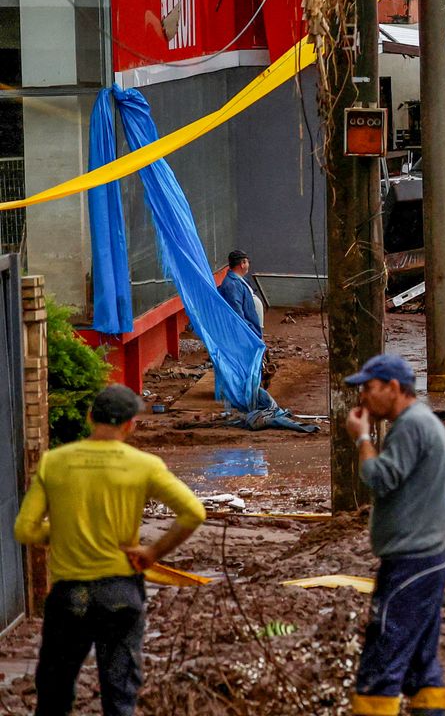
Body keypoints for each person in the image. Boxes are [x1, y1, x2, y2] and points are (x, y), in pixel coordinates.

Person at [14, 385, 205, 716]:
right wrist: (152, 553)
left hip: (69, 595)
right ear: (130, 424)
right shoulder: (145, 465)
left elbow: (25, 530)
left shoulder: (53, 463)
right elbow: (193, 512)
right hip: (121, 591)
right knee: (120, 694)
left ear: (90, 417)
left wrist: (61, 532)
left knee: (55, 692)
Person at [343, 354, 445, 716]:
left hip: (411, 562)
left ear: (393, 388)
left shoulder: (411, 426)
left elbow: (379, 478)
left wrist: (362, 438)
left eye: (369, 389)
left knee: (383, 658)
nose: (363, 399)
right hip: (427, 558)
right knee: (422, 663)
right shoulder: (421, 423)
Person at [217, 249, 263, 339]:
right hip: (247, 333)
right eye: (247, 262)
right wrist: (252, 333)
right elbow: (237, 315)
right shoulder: (232, 285)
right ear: (242, 264)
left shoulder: (240, 280)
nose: (248, 265)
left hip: (252, 328)